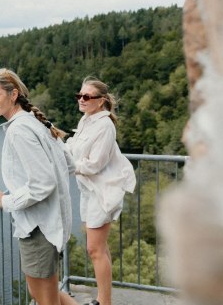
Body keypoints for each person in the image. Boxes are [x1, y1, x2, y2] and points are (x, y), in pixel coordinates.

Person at [0, 68, 77, 305]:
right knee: (45, 295)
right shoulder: (34, 122)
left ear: (13, 94)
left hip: (39, 227)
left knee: (45, 299)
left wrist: (5, 201)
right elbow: (68, 163)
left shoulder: (19, 130)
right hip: (49, 222)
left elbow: (43, 183)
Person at [66, 76, 136, 305]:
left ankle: (105, 303)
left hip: (103, 191)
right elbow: (73, 147)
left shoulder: (105, 126)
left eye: (87, 96)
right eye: (80, 95)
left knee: (94, 249)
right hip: (89, 191)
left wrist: (68, 167)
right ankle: (104, 300)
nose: (81, 99)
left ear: (101, 101)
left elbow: (95, 163)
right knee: (99, 248)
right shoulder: (87, 120)